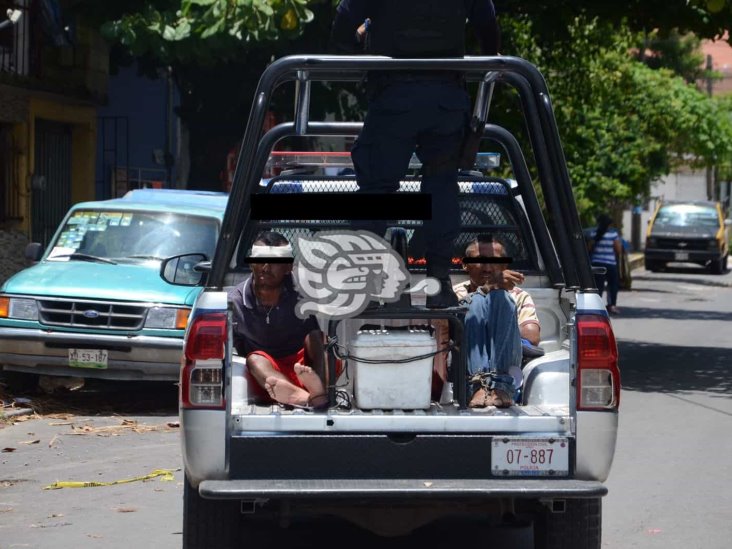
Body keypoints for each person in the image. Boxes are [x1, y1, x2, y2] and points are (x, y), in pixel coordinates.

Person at [330, 0, 501, 308]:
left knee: (376, 190)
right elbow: (488, 28)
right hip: (446, 100)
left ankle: (367, 286)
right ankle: (439, 282)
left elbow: (343, 21)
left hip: (394, 98)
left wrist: (356, 47)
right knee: (442, 187)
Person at [227, 231, 328, 409]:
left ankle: (318, 392)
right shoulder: (235, 301)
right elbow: (237, 349)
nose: (265, 267)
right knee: (254, 359)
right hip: (268, 378)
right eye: (259, 261)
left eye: (274, 262)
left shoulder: (304, 295)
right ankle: (304, 397)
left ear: (288, 267)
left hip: (303, 370)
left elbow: (316, 342)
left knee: (317, 338)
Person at [432, 235, 536, 407]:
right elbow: (447, 331)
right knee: (476, 301)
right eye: (480, 261)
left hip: (508, 374)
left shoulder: (518, 295)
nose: (487, 268)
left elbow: (532, 336)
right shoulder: (455, 294)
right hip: (462, 373)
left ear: (505, 265)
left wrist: (498, 320)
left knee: (501, 298)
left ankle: (499, 387)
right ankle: (478, 387)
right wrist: (485, 290)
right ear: (465, 265)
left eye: (494, 261)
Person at [588, 213, 623, 315]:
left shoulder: (593, 234)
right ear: (609, 224)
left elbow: (589, 248)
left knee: (598, 286)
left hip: (596, 264)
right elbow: (618, 250)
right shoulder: (613, 234)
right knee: (612, 285)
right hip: (610, 264)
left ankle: (596, 306)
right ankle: (612, 306)